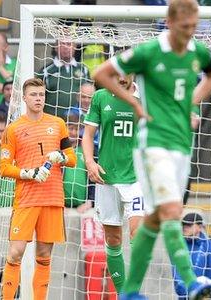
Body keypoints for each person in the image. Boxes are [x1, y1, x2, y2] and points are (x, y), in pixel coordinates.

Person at [92, 0, 211, 298]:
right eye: (185, 27)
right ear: (170, 21)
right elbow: (101, 73)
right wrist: (135, 103)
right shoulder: (149, 52)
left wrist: (191, 102)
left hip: (180, 146)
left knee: (154, 218)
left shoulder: (196, 52)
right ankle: (192, 282)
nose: (190, 33)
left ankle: (131, 291)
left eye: (194, 27)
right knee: (173, 212)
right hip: (152, 145)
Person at [0, 78, 77, 300]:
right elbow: (4, 168)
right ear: (24, 98)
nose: (38, 99)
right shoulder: (13, 130)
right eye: (33, 95)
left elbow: (72, 159)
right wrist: (28, 173)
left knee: (44, 256)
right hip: (26, 199)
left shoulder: (58, 123)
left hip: (52, 198)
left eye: (41, 95)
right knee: (15, 253)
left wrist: (60, 156)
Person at [81, 75, 145, 292]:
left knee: (138, 233)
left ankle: (133, 291)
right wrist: (90, 162)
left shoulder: (145, 97)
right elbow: (88, 135)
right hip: (107, 177)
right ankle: (123, 293)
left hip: (137, 178)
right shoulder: (100, 97)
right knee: (113, 238)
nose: (120, 76)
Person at [173, 213, 211, 299]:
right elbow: (177, 278)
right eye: (184, 225)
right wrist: (193, 292)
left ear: (200, 227)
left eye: (189, 225)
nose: (185, 228)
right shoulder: (179, 247)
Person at [41, 39, 91, 119]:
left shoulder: (83, 70)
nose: (66, 47)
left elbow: (90, 95)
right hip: (53, 121)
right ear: (56, 47)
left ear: (75, 47)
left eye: (69, 44)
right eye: (62, 44)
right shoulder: (46, 71)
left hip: (78, 123)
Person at [63, 113, 91, 212]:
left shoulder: (86, 150)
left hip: (83, 206)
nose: (74, 132)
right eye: (70, 128)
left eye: (77, 129)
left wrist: (90, 201)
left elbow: (93, 179)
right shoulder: (58, 150)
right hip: (62, 204)